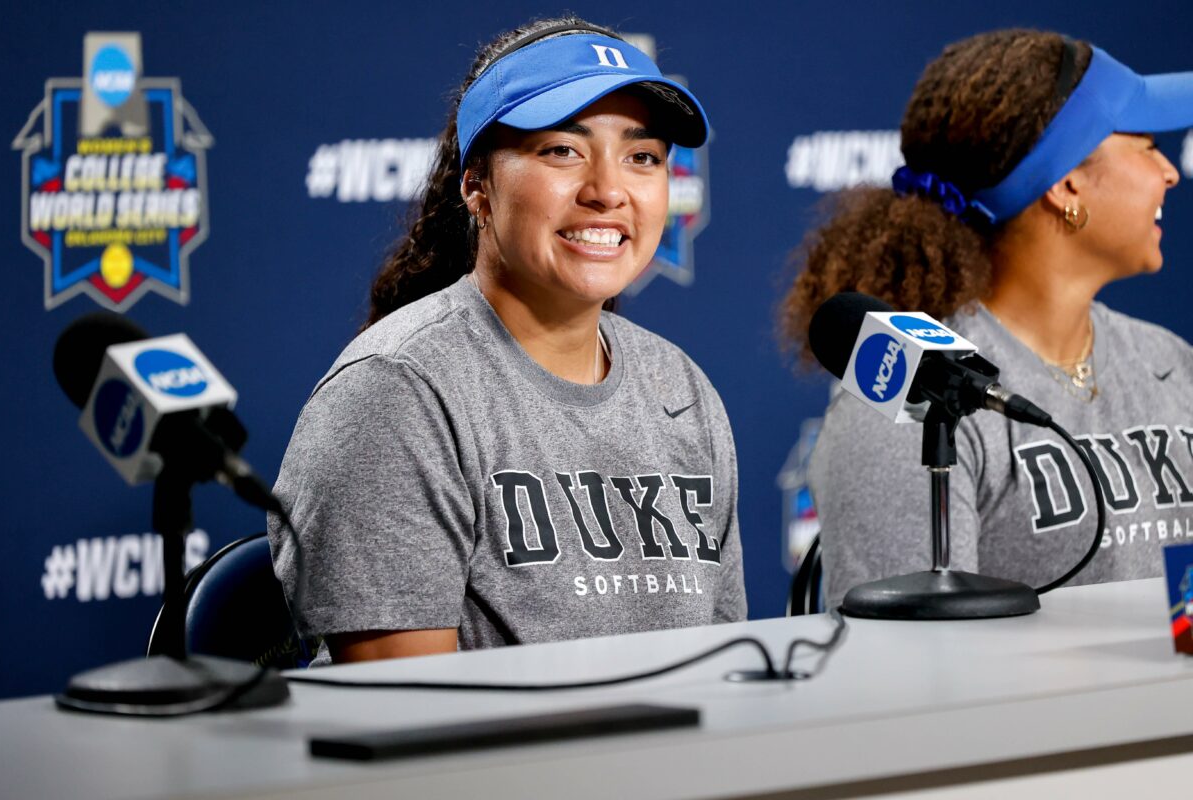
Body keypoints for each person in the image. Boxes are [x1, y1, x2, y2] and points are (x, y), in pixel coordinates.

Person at [269, 17, 745, 664]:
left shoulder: (682, 391)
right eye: (561, 151)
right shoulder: (397, 396)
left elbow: (721, 674)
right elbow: (408, 730)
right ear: (477, 188)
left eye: (642, 158)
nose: (608, 191)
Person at [781, 30, 1193, 607]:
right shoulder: (918, 400)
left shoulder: (1169, 361)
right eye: (1146, 144)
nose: (1169, 173)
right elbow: (906, 672)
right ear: (1067, 182)